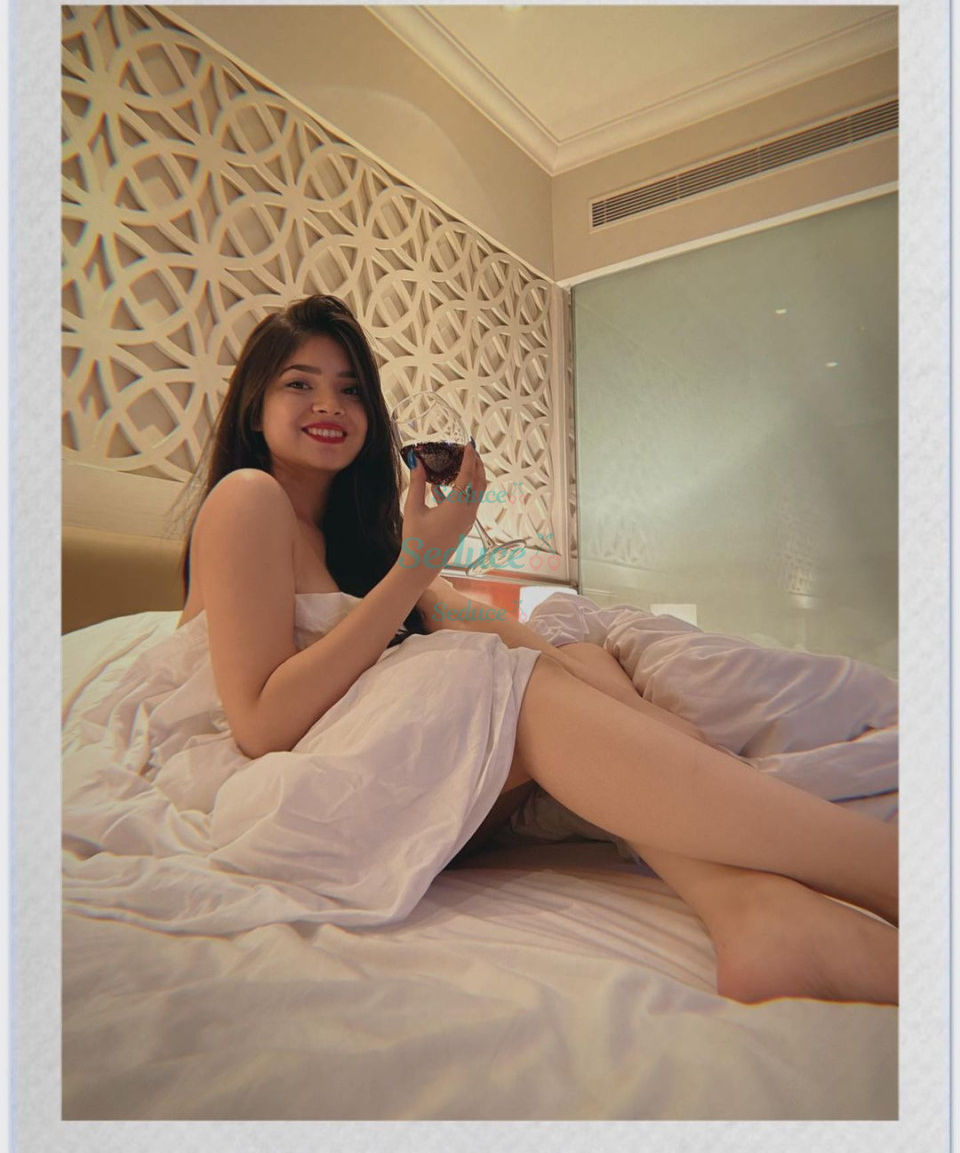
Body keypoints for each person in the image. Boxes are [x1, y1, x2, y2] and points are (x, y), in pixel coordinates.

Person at [174, 293, 897, 1005]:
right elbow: (261, 724)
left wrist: (643, 719)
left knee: (574, 656)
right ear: (254, 407)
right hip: (279, 793)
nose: (329, 404)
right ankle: (893, 871)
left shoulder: (368, 543)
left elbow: (489, 628)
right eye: (299, 384)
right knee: (490, 678)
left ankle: (756, 913)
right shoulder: (247, 498)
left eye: (351, 389)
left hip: (374, 778)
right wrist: (416, 568)